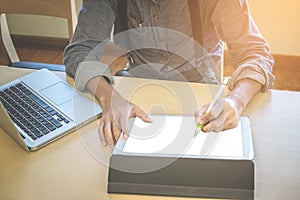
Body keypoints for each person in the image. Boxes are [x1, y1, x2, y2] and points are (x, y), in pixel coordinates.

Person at [64, 0, 274, 148]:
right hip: (134, 93)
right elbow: (80, 51)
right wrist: (108, 97)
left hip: (202, 97)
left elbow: (254, 52)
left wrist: (235, 101)